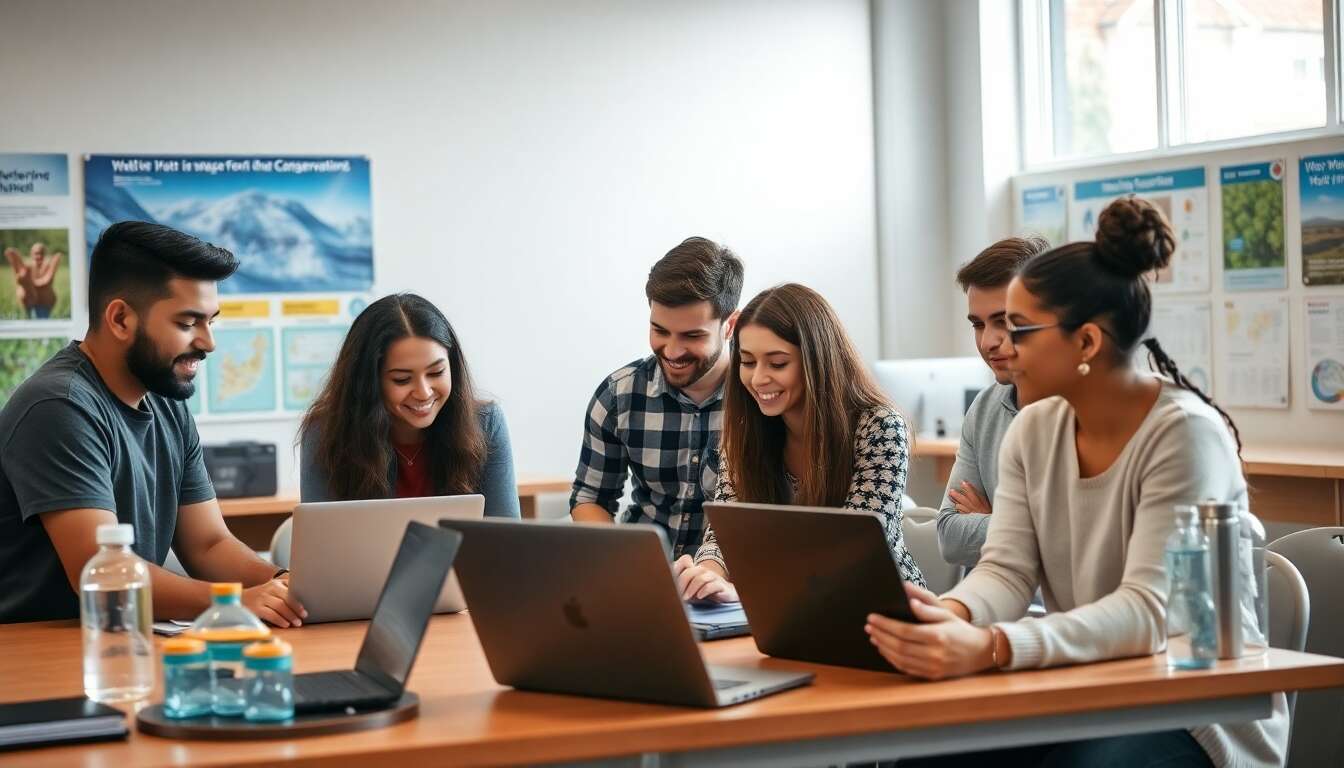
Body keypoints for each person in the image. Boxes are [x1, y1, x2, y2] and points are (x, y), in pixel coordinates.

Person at [865, 198, 1286, 767]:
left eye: (1019, 330)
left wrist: (991, 645)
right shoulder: (1033, 429)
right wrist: (953, 614)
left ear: (1086, 343)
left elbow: (1147, 612)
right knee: (927, 755)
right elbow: (1007, 571)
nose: (999, 348)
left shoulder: (1185, 435)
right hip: (1083, 690)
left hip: (1192, 711)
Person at [0, 222, 305, 626]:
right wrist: (236, 602)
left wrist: (286, 586)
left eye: (210, 321)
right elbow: (104, 573)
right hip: (43, 647)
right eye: (188, 323)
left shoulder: (166, 401)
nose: (208, 342)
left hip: (125, 637)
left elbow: (209, 545)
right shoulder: (59, 406)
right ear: (121, 319)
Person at [675, 283, 926, 603]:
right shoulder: (746, 432)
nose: (758, 378)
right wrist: (706, 575)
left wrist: (744, 592)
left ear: (817, 360)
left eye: (778, 363)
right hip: (786, 607)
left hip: (880, 606)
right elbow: (726, 533)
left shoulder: (880, 427)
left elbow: (856, 553)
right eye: (748, 362)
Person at [570, 237, 744, 558]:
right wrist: (620, 561)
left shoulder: (759, 399)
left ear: (730, 326)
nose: (673, 351)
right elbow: (590, 498)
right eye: (660, 331)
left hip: (730, 576)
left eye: (692, 336)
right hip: (642, 568)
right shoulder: (618, 395)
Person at [298, 293, 520, 519]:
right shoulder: (324, 432)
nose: (424, 393)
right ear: (368, 384)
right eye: (402, 379)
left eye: (436, 372)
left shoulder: (486, 423)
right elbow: (321, 536)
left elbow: (506, 534)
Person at [936, 236, 1048, 569]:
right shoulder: (984, 408)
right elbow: (950, 537)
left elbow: (1072, 539)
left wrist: (992, 518)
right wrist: (1021, 527)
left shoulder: (1082, 410)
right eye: (978, 325)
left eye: (1004, 321)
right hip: (990, 594)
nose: (987, 342)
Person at [6, 242, 62, 319]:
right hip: (28, 304)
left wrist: (29, 282)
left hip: (44, 303)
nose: (39, 256)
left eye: (41, 253)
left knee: (42, 320)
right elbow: (20, 278)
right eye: (36, 253)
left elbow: (46, 280)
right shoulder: (28, 266)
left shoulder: (48, 265)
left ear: (44, 254)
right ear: (31, 254)